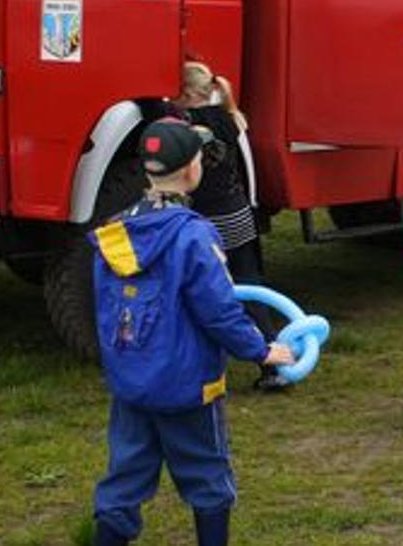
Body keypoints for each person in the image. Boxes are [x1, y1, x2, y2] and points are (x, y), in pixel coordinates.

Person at [88, 118, 296, 546]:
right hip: (187, 387)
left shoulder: (114, 232)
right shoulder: (194, 236)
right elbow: (219, 311)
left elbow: (106, 307)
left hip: (132, 383)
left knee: (124, 479)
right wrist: (260, 351)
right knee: (207, 478)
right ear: (191, 170)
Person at [172, 63, 287, 391]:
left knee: (200, 292)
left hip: (206, 223)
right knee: (251, 288)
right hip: (238, 214)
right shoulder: (231, 118)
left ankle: (197, 365)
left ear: (186, 94)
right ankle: (272, 362)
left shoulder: (184, 124)